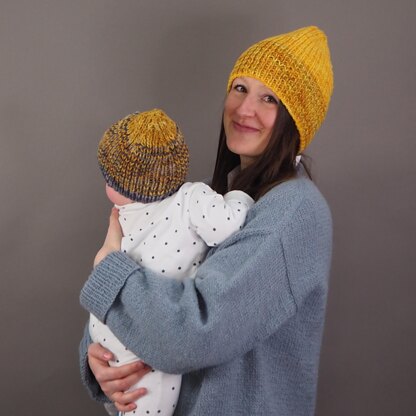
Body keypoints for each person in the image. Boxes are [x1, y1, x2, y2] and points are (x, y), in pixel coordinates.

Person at [80, 25, 334, 416]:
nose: (245, 109)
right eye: (240, 88)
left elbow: (192, 334)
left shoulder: (293, 213)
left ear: (296, 121)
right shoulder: (222, 203)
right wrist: (99, 360)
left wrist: (107, 270)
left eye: (270, 98)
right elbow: (160, 284)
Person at [89, 108, 253, 416]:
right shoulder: (191, 201)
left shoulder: (126, 214)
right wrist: (239, 197)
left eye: (109, 178)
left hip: (115, 330)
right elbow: (230, 225)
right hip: (146, 334)